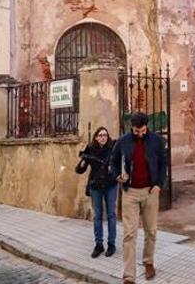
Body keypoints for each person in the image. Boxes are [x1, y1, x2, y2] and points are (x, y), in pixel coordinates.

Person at [110, 113, 167, 284]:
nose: (140, 134)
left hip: (151, 191)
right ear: (131, 128)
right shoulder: (123, 140)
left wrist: (159, 184)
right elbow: (112, 161)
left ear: (146, 126)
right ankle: (129, 275)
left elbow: (163, 163)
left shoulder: (157, 140)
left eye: (142, 130)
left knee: (151, 230)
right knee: (129, 234)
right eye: (136, 130)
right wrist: (117, 175)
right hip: (130, 193)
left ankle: (148, 262)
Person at [76, 126, 117, 258]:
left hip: (111, 184)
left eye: (105, 135)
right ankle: (99, 244)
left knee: (111, 214)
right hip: (96, 186)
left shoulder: (113, 148)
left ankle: (111, 244)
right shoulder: (91, 148)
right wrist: (83, 160)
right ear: (96, 137)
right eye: (100, 135)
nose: (103, 137)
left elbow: (119, 163)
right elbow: (80, 170)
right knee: (97, 216)